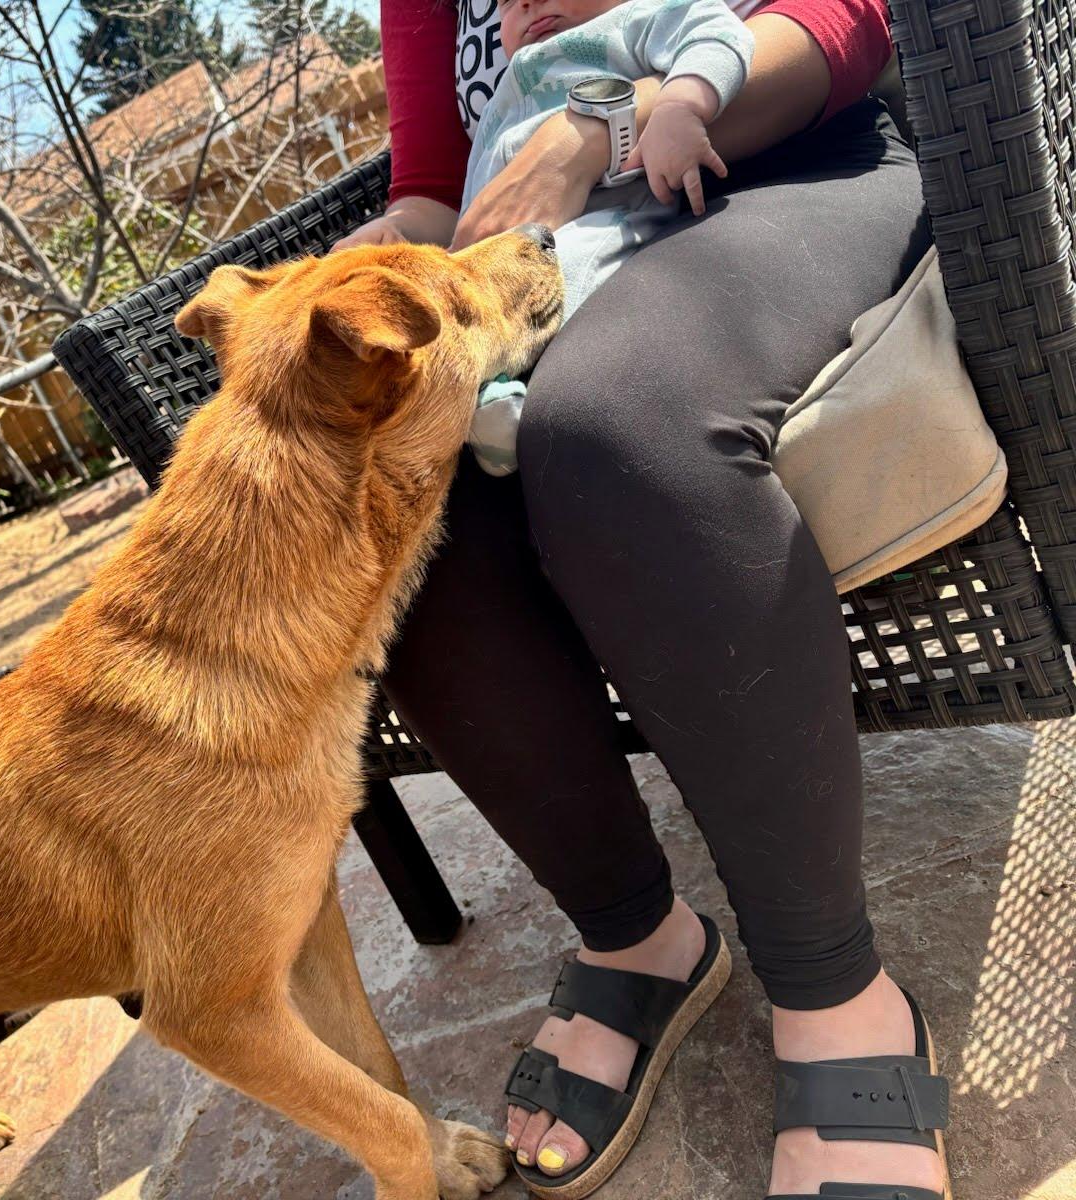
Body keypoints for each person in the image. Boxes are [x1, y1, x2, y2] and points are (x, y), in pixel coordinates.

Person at [336, 0, 954, 1194]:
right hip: (548, 266)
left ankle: (835, 992)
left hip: (779, 167)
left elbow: (854, 20)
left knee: (614, 427)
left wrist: (598, 128)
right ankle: (637, 936)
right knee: (378, 491)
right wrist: (369, 277)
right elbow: (428, 189)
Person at [464, 0, 753, 474]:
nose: (524, 4)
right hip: (501, 244)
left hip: (607, 217)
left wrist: (681, 104)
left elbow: (718, 32)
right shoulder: (505, 92)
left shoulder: (634, 18)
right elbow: (479, 192)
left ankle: (494, 396)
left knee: (566, 272)